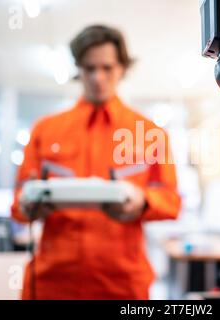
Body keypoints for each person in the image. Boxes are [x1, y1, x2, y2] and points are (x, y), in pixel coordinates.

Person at [11, 25, 181, 299]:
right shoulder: (45, 130)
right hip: (53, 282)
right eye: (89, 68)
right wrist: (30, 205)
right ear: (79, 69)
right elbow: (18, 204)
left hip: (122, 284)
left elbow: (172, 201)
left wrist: (143, 201)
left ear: (123, 68)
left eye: (107, 68)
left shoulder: (150, 134)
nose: (97, 78)